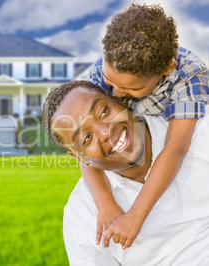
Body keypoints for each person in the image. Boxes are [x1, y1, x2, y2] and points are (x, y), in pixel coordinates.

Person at [83, 3, 209, 249]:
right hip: (133, 141)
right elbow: (81, 143)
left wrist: (136, 215)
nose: (116, 92)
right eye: (110, 81)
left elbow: (176, 147)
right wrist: (105, 202)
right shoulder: (102, 71)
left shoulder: (189, 75)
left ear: (167, 69)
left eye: (133, 89)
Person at [41, 80, 209, 264]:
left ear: (119, 100)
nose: (105, 132)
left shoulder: (197, 128)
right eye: (87, 137)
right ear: (79, 157)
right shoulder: (82, 216)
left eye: (103, 112)